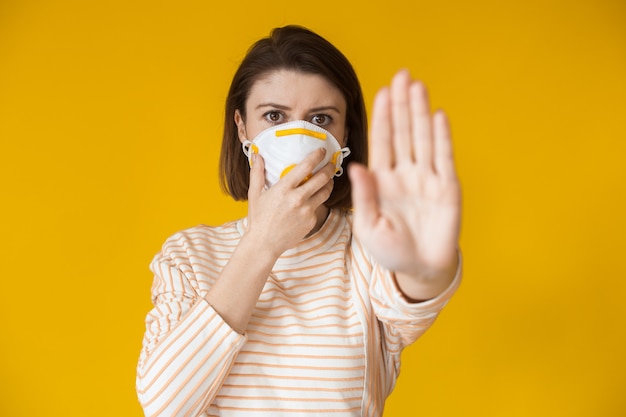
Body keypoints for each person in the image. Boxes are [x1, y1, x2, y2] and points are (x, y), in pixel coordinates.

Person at [136, 25, 462, 417]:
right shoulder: (188, 256)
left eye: (321, 119)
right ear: (242, 127)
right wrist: (262, 244)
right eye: (274, 115)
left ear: (345, 136)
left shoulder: (369, 245)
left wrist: (426, 262)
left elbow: (414, 287)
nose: (297, 137)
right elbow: (163, 405)